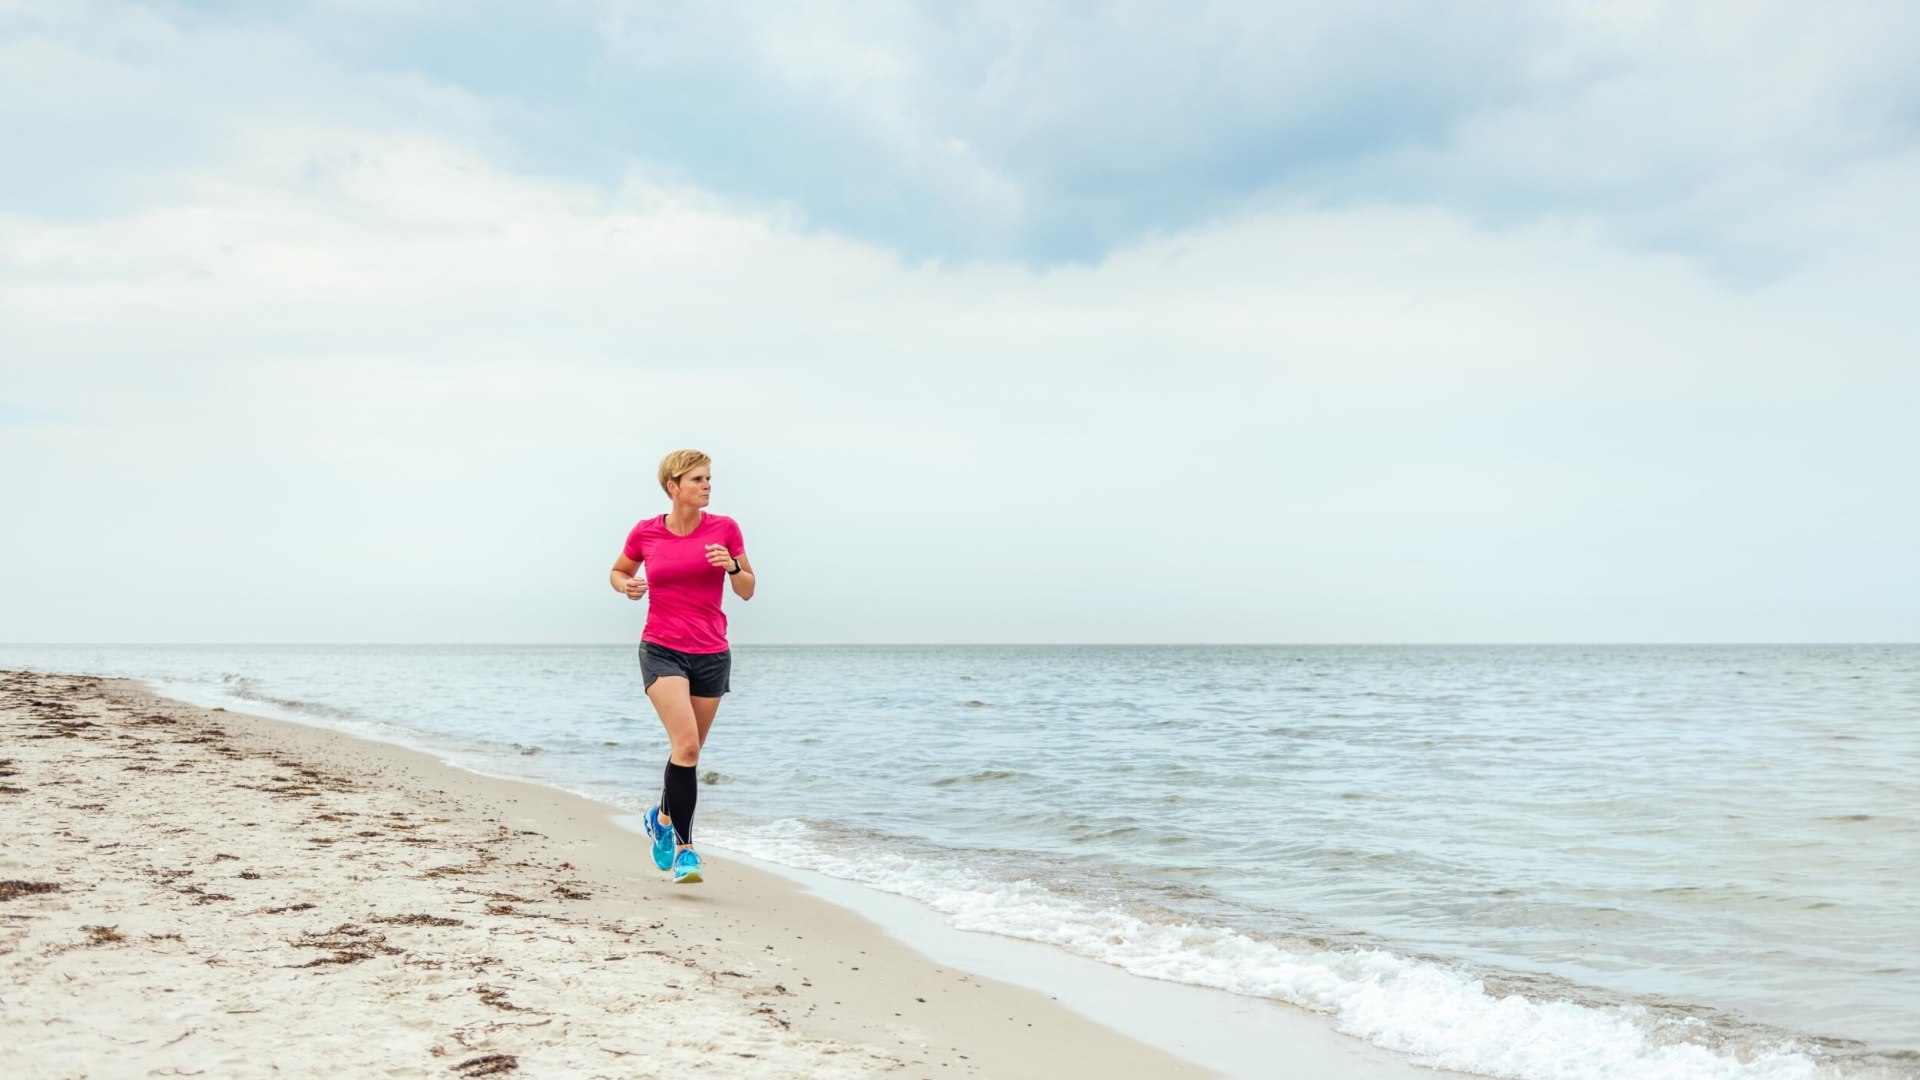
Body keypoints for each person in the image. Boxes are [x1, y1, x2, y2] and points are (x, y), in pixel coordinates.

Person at [609, 450, 754, 884]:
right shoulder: (647, 532)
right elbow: (619, 570)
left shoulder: (725, 529)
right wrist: (627, 586)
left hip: (711, 653)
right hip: (661, 649)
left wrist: (731, 567)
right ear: (673, 487)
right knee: (687, 746)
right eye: (697, 479)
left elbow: (747, 589)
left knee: (686, 754)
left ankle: (661, 818)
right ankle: (687, 852)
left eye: (708, 478)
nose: (707, 485)